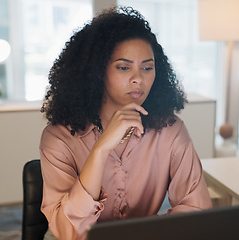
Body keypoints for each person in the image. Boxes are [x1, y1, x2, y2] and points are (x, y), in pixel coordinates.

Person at [39, 6, 212, 240]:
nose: (138, 78)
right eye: (123, 67)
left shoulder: (170, 130)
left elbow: (197, 211)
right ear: (97, 72)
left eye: (147, 67)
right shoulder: (59, 137)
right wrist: (100, 150)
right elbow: (69, 232)